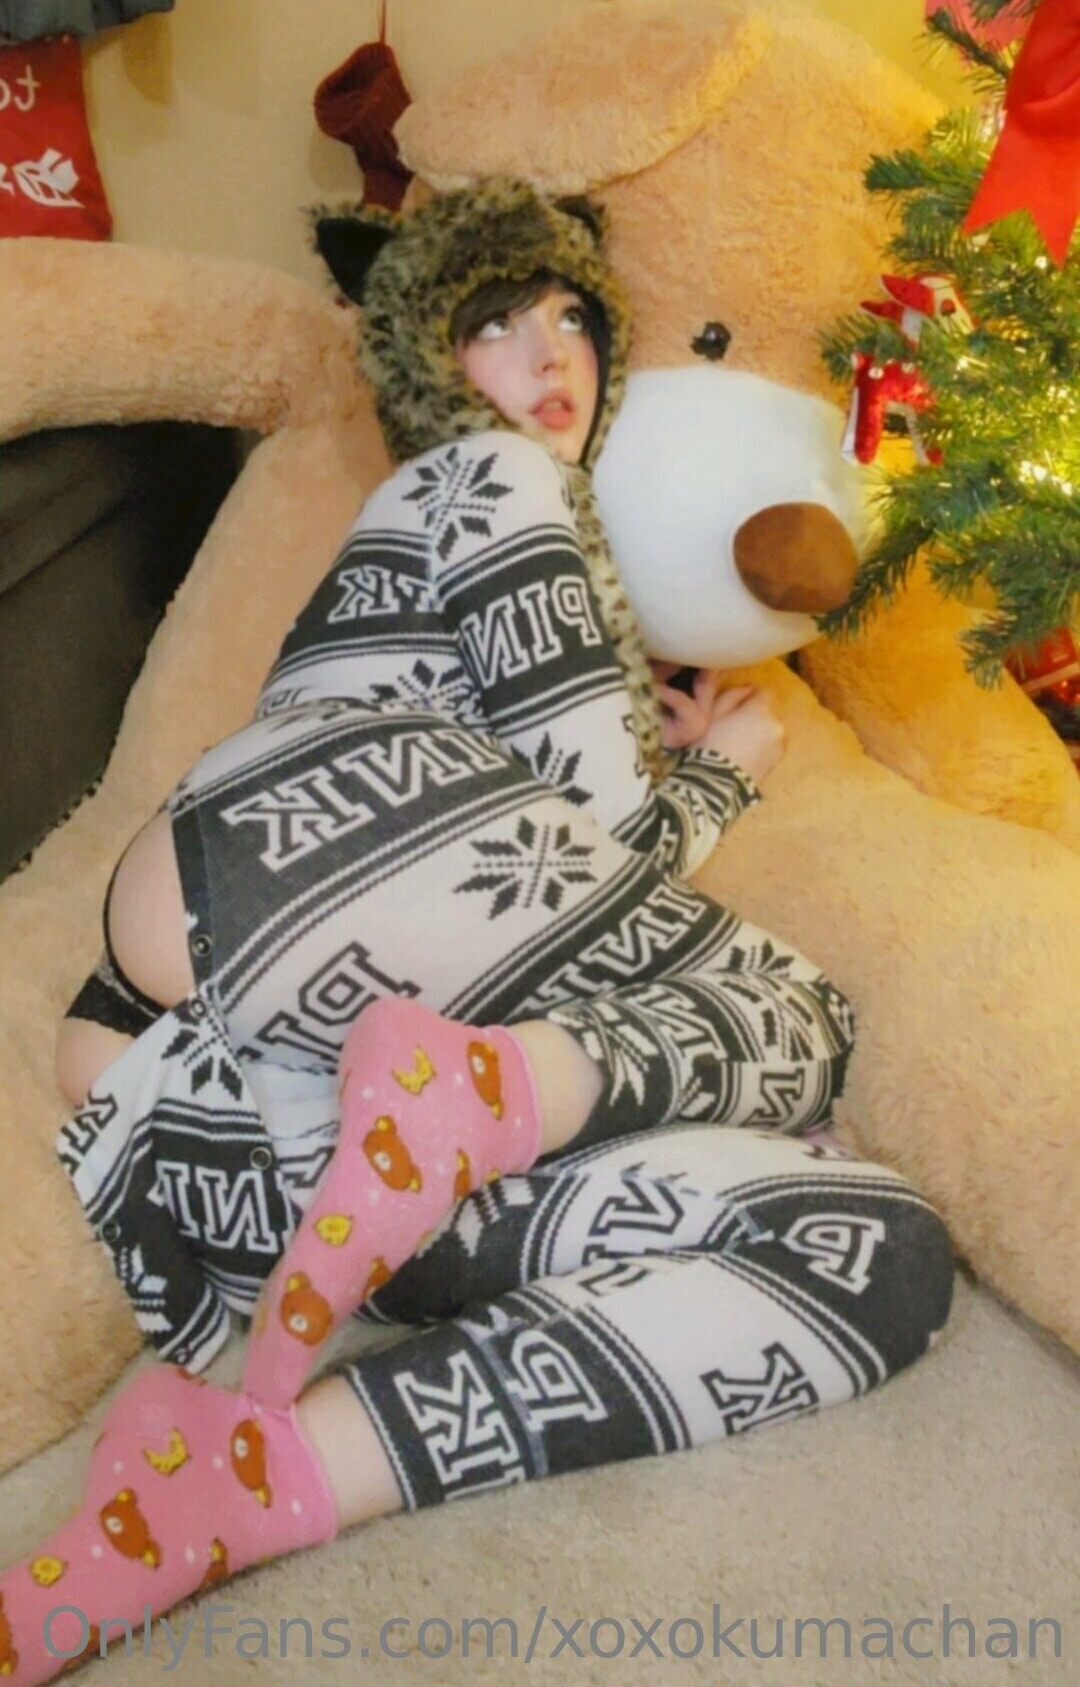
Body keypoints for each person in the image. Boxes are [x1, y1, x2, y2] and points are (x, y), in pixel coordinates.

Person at [1, 184, 951, 1684]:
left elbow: (564, 855)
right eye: (494, 324)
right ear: (428, 367)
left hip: (276, 1098)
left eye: (571, 316)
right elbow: (608, 822)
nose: (548, 352)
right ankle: (496, 1093)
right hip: (304, 854)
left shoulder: (517, 537)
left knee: (873, 1249)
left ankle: (265, 1476)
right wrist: (725, 769)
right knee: (796, 1015)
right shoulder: (488, 478)